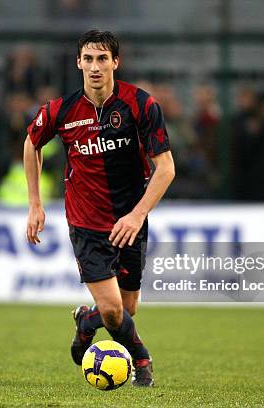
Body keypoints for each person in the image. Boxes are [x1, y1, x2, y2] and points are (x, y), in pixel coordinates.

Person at [23, 30, 175, 387]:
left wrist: (137, 214)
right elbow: (32, 144)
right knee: (113, 310)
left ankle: (86, 322)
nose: (95, 67)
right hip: (86, 221)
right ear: (78, 63)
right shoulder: (61, 110)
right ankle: (142, 360)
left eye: (102, 59)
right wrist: (35, 203)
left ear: (115, 62)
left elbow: (165, 168)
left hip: (129, 219)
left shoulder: (140, 104)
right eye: (88, 59)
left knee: (127, 308)